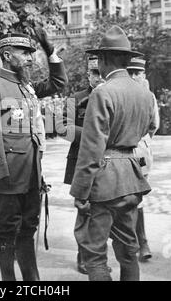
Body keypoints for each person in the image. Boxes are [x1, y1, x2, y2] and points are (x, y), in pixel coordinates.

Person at [0, 30, 67, 281]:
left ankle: (32, 281)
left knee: (28, 230)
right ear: (7, 55)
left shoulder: (26, 87)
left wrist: (51, 53)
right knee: (8, 233)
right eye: (25, 53)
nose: (31, 57)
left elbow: (58, 84)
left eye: (32, 52)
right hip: (7, 178)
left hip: (30, 175)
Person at [70, 25, 156, 281]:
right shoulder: (144, 93)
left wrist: (80, 191)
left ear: (105, 59)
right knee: (128, 250)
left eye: (98, 59)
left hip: (104, 181)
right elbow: (147, 129)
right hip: (131, 176)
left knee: (94, 254)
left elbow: (92, 147)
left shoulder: (103, 92)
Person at [60, 56, 104, 274]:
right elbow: (61, 127)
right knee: (85, 211)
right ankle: (83, 256)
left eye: (101, 71)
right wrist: (88, 134)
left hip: (107, 165)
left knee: (105, 212)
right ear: (88, 74)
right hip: (81, 163)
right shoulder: (75, 98)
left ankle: (98, 256)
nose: (98, 76)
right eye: (94, 72)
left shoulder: (113, 96)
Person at [127, 57, 160, 262]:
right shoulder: (119, 94)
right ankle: (134, 242)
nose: (133, 76)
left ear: (143, 75)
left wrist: (142, 142)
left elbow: (153, 125)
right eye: (130, 72)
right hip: (120, 154)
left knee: (137, 197)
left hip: (139, 153)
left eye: (137, 73)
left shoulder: (149, 97)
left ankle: (142, 242)